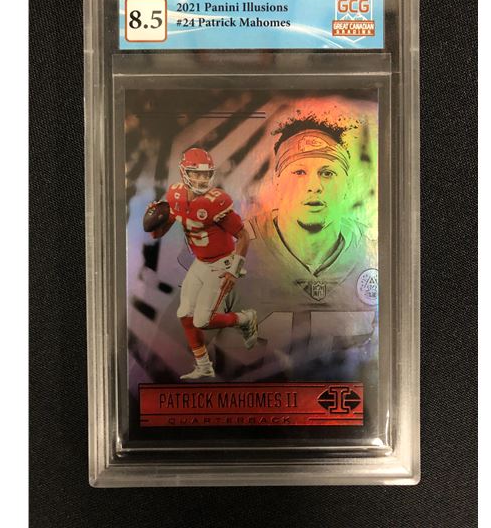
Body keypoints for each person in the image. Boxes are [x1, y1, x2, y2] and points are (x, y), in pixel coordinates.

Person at [213, 115, 379, 382]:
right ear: (277, 183)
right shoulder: (230, 251)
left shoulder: (375, 254)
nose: (314, 186)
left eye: (327, 173)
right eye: (299, 172)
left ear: (347, 185)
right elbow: (174, 357)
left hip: (346, 405)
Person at [147, 147, 257, 380]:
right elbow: (159, 233)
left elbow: (244, 236)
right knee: (185, 314)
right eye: (196, 173)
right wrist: (155, 222)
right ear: (183, 173)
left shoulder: (215, 202)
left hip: (222, 263)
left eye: (205, 174)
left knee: (203, 320)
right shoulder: (175, 195)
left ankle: (245, 319)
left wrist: (234, 271)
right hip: (201, 262)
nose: (201, 179)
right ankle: (204, 366)